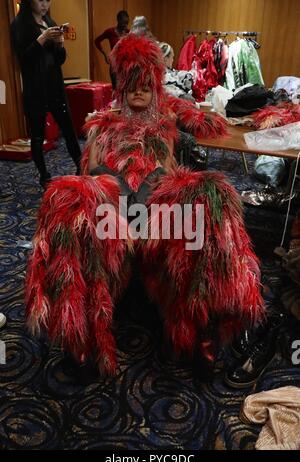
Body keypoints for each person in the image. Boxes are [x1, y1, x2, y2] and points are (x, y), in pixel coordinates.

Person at [26, 34, 264, 377]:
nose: (138, 91)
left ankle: (200, 322)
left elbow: (201, 133)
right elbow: (90, 169)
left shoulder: (165, 120)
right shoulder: (101, 125)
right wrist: (108, 186)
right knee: (65, 200)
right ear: (121, 86)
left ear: (155, 86)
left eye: (145, 85)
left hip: (157, 209)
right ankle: (78, 329)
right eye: (131, 84)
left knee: (212, 197)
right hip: (113, 206)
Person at [11, 0, 81, 189]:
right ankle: (44, 175)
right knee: (37, 136)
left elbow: (59, 60)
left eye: (48, 0)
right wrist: (42, 39)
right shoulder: (19, 25)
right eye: (40, 0)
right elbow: (24, 60)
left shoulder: (50, 23)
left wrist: (60, 44)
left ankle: (81, 166)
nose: (45, 4)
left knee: (69, 130)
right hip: (35, 89)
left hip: (55, 86)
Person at [94, 10, 129, 89]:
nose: (125, 25)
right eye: (123, 22)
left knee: (126, 89)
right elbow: (97, 41)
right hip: (114, 65)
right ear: (118, 20)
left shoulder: (128, 33)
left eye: (127, 23)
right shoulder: (110, 32)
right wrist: (105, 54)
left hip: (126, 66)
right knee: (116, 88)